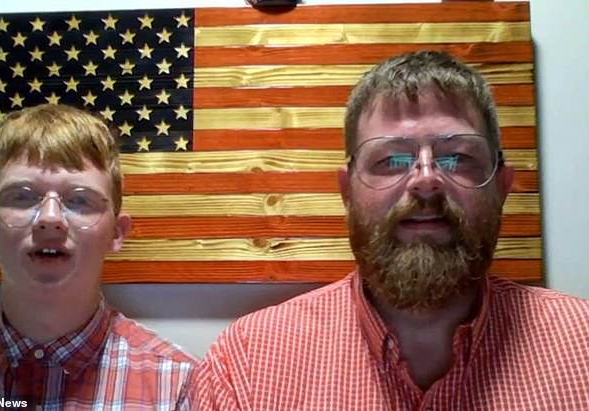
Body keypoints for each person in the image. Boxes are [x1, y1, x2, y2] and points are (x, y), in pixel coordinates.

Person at [190, 51, 589, 410]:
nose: (426, 180)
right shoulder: (246, 367)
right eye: (392, 159)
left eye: (456, 158)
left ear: (502, 188)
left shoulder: (581, 345)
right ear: (347, 192)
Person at [0, 104, 195, 409]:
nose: (50, 218)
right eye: (23, 196)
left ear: (117, 233)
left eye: (80, 200)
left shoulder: (176, 387)